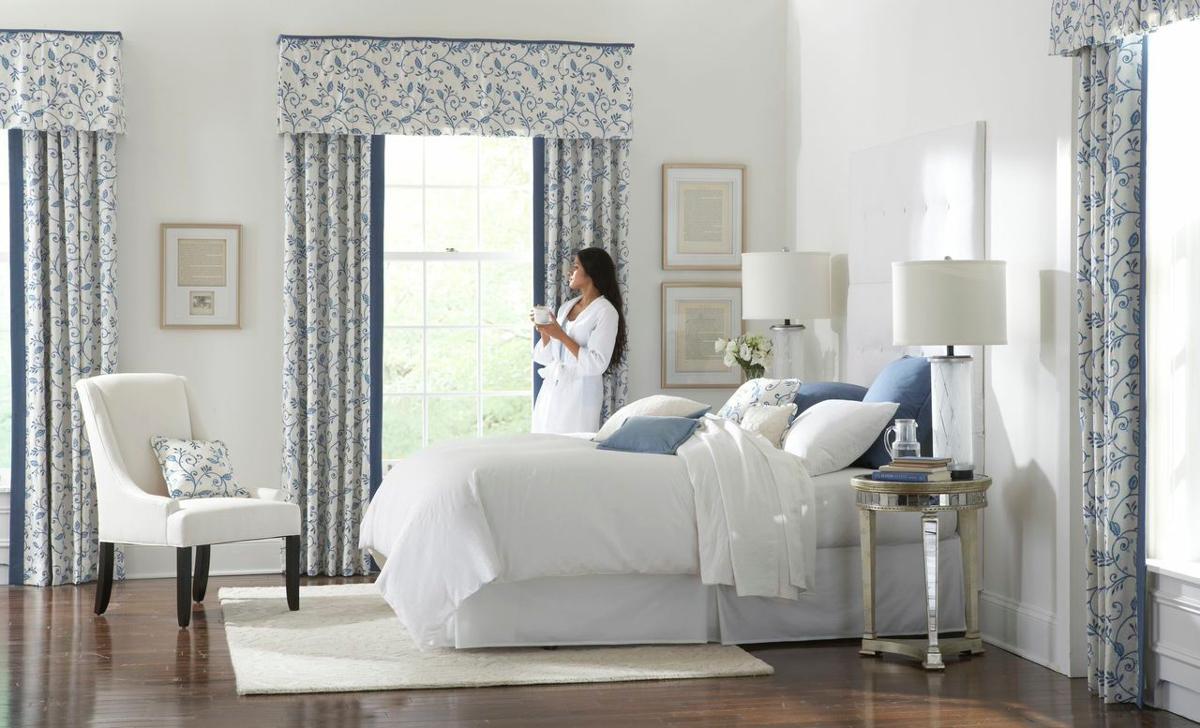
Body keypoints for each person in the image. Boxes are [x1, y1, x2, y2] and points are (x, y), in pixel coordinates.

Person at [531, 248, 626, 434]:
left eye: (575, 267)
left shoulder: (605, 312)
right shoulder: (567, 307)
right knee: (543, 448)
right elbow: (547, 358)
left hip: (580, 395)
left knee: (571, 451)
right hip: (551, 391)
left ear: (591, 272)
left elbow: (597, 364)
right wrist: (545, 331)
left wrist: (561, 335)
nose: (569, 272)